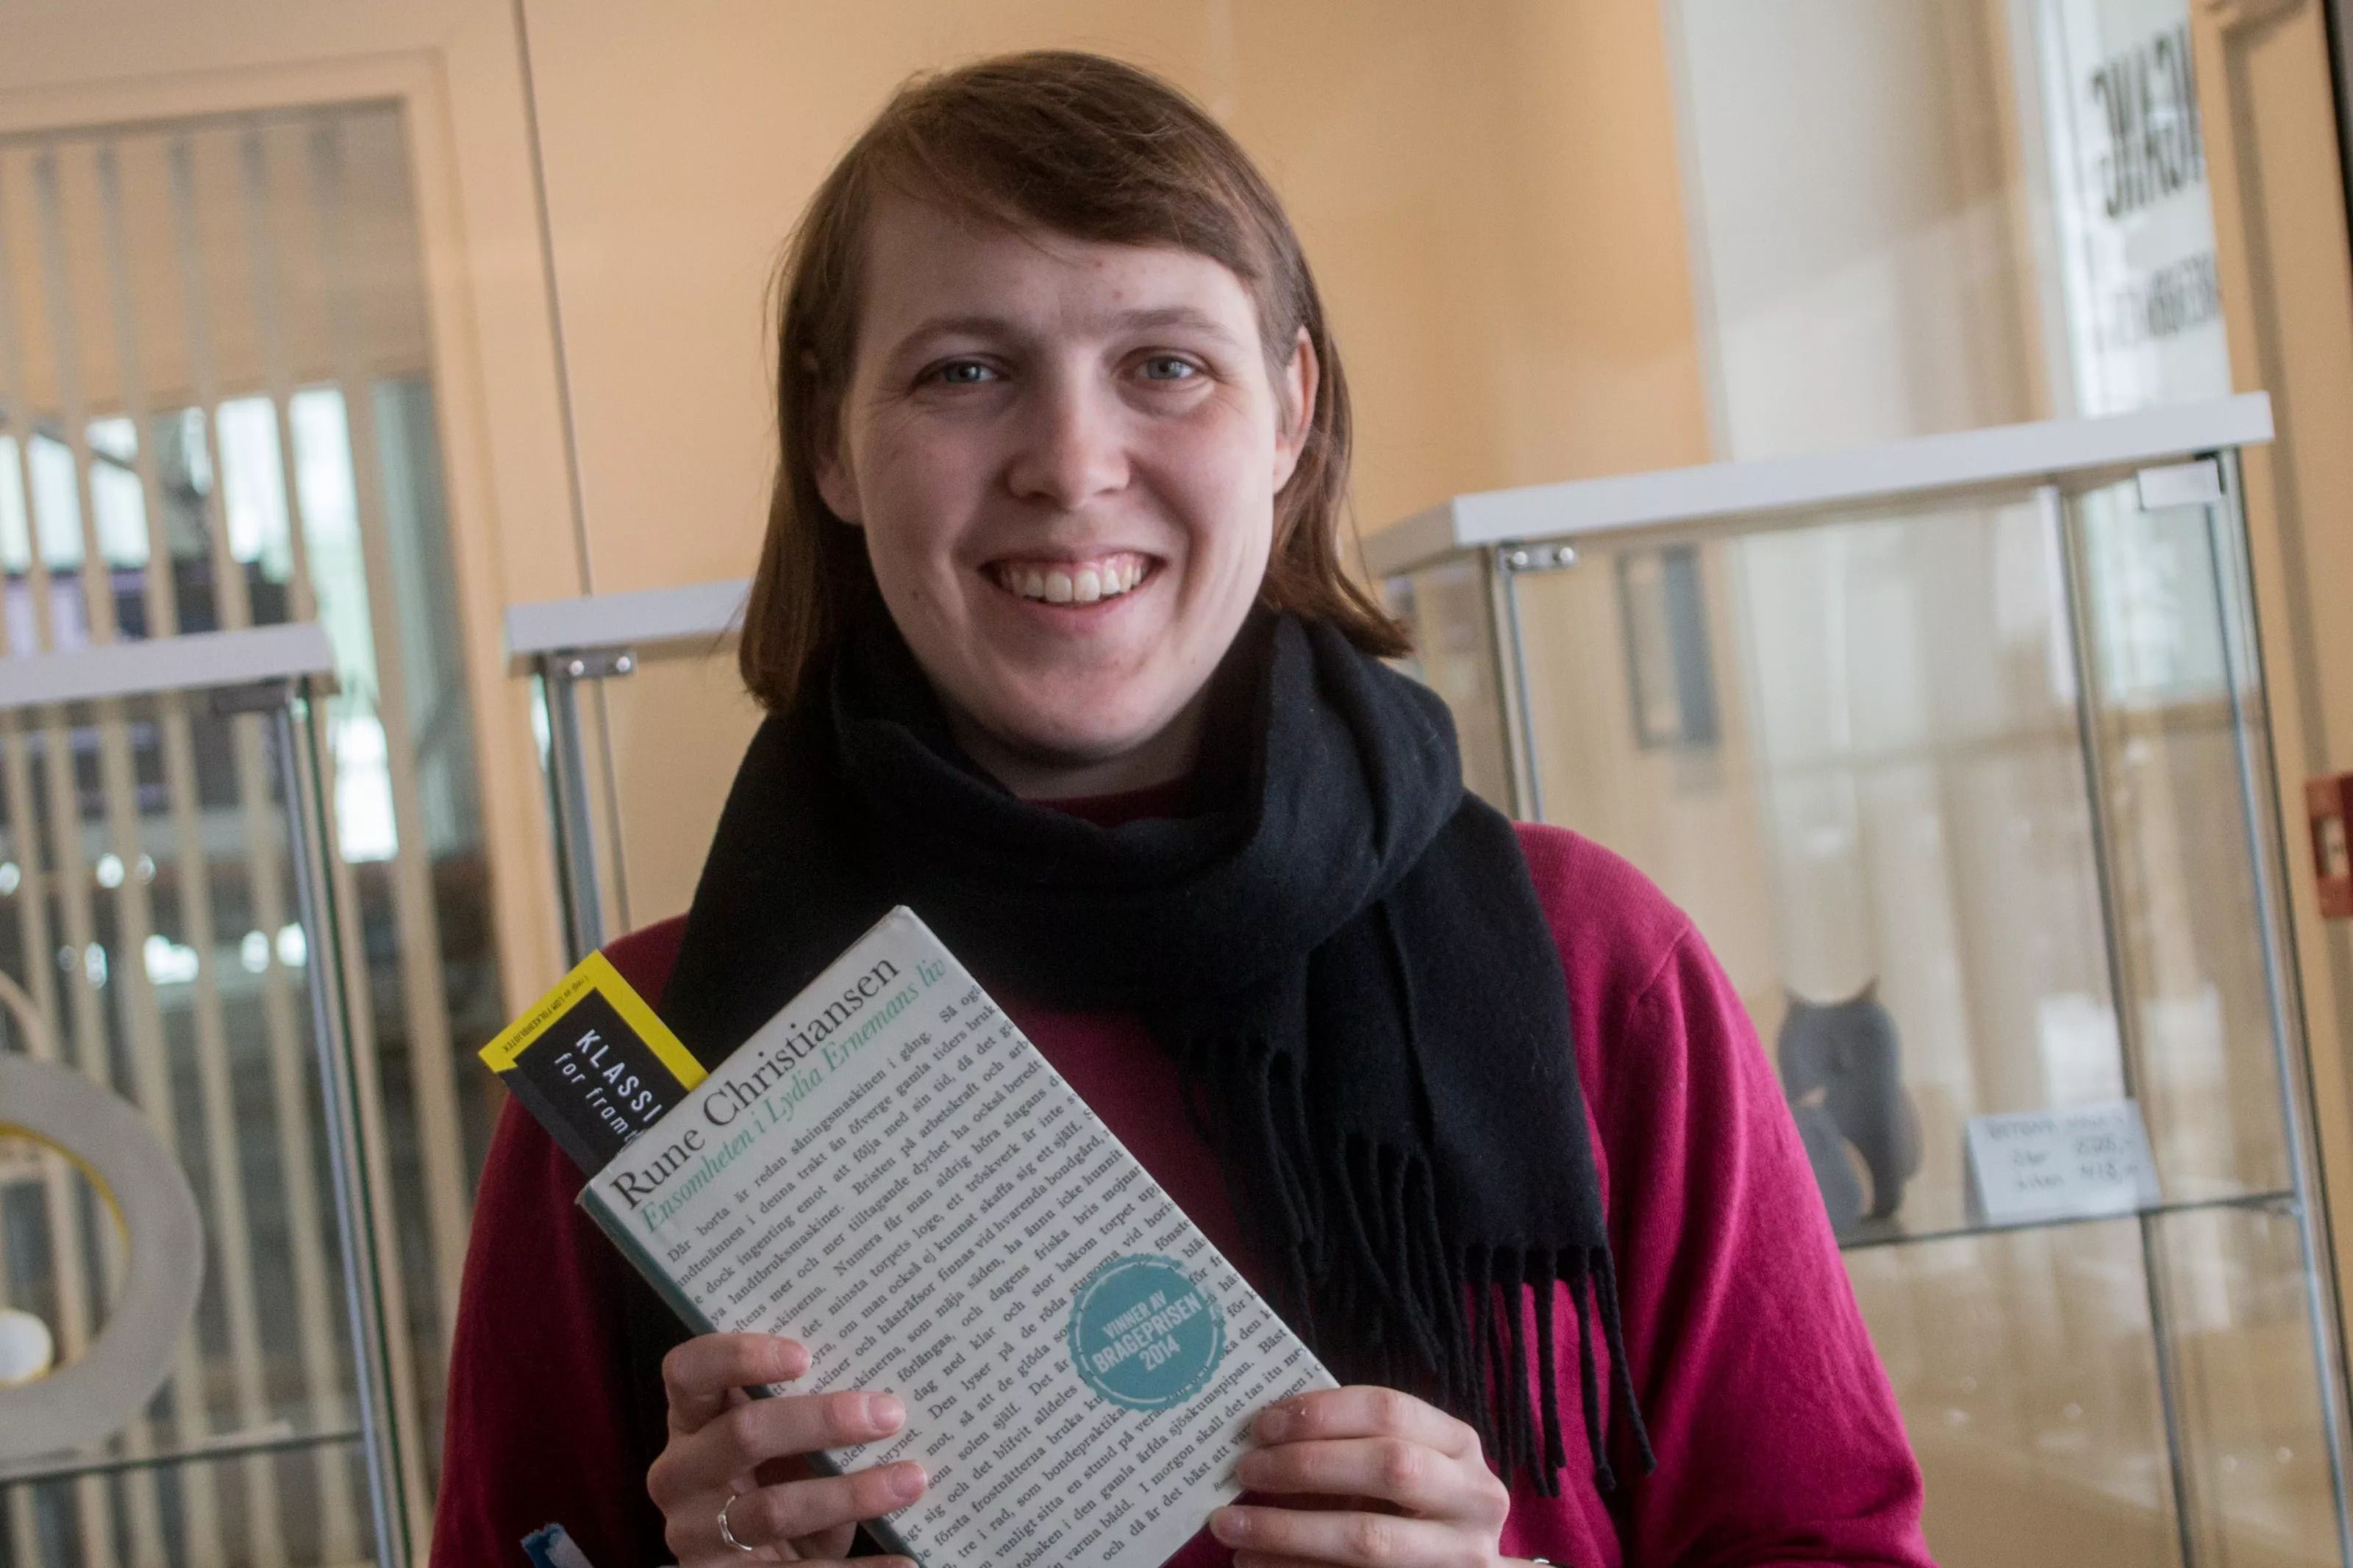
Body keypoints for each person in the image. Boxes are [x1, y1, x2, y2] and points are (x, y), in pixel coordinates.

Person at [433, 50, 1934, 1568]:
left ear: (1289, 411)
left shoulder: (1595, 962)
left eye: (1165, 364)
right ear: (830, 438)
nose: (1072, 465)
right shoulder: (650, 1073)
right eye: (964, 371)